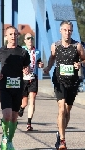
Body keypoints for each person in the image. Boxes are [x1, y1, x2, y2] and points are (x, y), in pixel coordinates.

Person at [43, 20, 85, 150]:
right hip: (59, 80)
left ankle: (59, 133)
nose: (67, 33)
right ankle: (62, 140)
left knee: (67, 111)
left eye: (70, 30)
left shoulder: (77, 46)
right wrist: (47, 68)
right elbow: (52, 57)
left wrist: (80, 64)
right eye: (65, 30)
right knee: (61, 109)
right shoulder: (55, 46)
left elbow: (84, 58)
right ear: (60, 31)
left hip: (72, 82)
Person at [0, 26, 30, 150]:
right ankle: (4, 137)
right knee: (7, 115)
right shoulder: (0, 51)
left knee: (14, 117)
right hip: (5, 86)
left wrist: (26, 69)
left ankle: (9, 141)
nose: (13, 36)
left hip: (18, 87)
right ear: (6, 36)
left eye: (15, 34)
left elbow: (27, 66)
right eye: (11, 34)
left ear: (18, 35)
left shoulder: (23, 52)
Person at [18, 33, 44, 131]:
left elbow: (38, 62)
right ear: (24, 41)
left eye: (31, 38)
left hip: (32, 78)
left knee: (32, 100)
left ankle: (29, 123)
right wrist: (22, 69)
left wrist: (40, 64)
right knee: (24, 103)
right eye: (28, 38)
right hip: (23, 79)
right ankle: (21, 108)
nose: (30, 40)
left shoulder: (37, 52)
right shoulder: (21, 50)